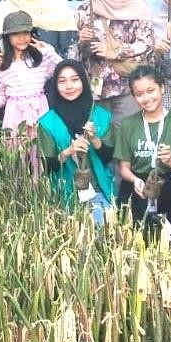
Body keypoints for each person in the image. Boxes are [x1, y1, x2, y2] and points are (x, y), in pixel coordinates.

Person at [112, 66, 171, 240]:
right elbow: (124, 168)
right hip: (139, 185)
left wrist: (170, 161)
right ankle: (152, 223)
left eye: (151, 91)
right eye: (139, 94)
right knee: (142, 234)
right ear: (133, 97)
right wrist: (135, 180)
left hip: (164, 181)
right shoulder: (128, 125)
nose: (146, 98)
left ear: (162, 88)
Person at [36, 59, 116, 223]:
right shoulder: (47, 122)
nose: (69, 86)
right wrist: (68, 151)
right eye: (62, 81)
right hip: (65, 193)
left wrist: (94, 140)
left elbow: (109, 157)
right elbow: (47, 166)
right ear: (55, 86)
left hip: (99, 189)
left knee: (104, 228)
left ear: (84, 81)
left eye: (75, 79)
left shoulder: (100, 115)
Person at [76, 0, 155, 121]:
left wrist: (115, 51)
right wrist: (80, 40)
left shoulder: (139, 7)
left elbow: (146, 45)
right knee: (100, 141)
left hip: (129, 89)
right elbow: (73, 54)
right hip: (95, 91)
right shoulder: (86, 9)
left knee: (128, 139)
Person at [0, 11, 61, 132]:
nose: (22, 38)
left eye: (26, 33)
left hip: (40, 111)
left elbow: (64, 70)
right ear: (8, 37)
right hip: (14, 115)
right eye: (16, 34)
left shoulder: (42, 58)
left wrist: (49, 51)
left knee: (41, 148)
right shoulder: (2, 64)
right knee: (15, 149)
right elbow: (2, 95)